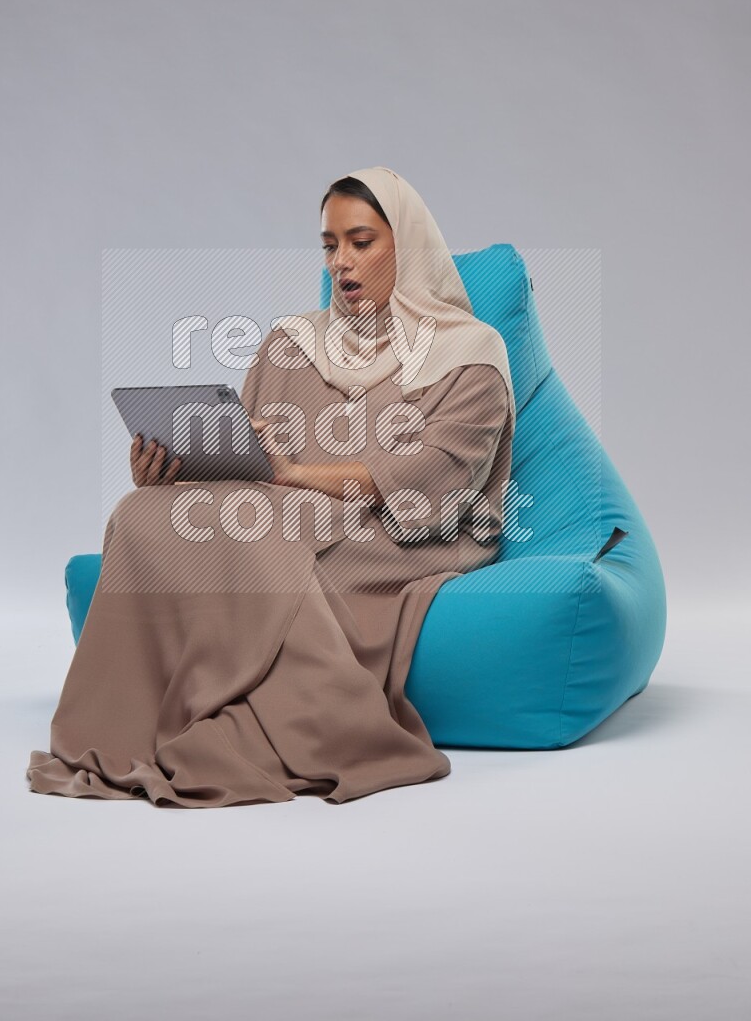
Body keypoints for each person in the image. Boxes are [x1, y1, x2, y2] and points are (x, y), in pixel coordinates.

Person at [26, 166, 516, 807]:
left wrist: (292, 476)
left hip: (404, 529)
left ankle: (271, 720)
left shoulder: (470, 352)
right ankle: (128, 715)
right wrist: (175, 468)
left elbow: (438, 481)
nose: (342, 261)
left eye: (361, 242)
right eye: (329, 244)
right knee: (143, 512)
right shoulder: (292, 342)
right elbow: (247, 462)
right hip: (284, 513)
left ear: (409, 245)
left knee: (261, 531)